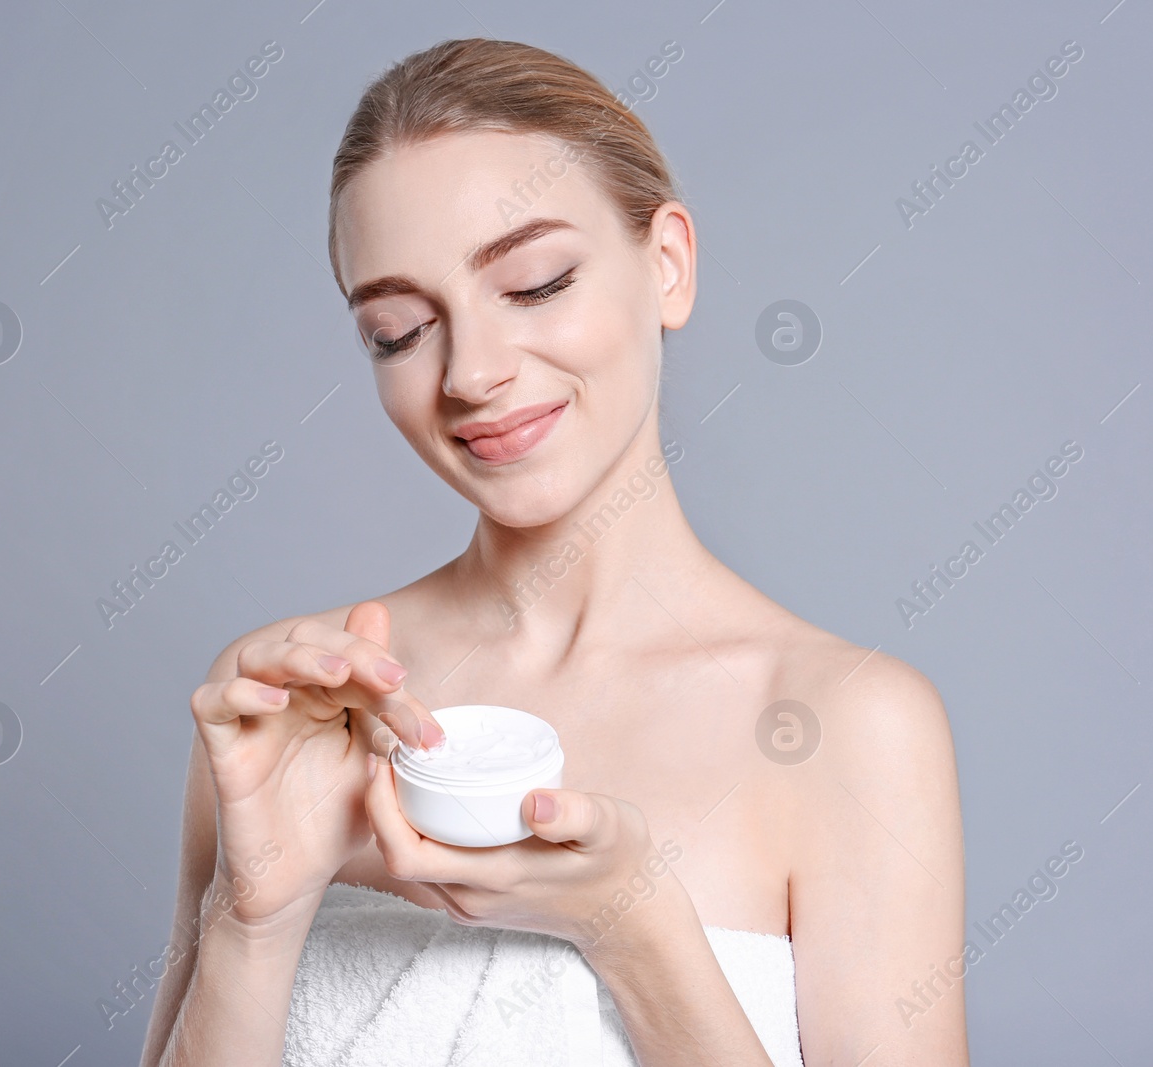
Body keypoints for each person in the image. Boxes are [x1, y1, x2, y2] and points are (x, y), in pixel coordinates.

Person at [139, 36, 967, 1067]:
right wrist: (249, 917)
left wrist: (632, 925)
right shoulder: (290, 710)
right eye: (398, 330)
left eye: (533, 283)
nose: (472, 372)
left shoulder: (848, 724)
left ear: (665, 266)